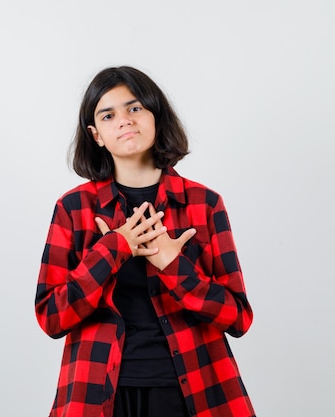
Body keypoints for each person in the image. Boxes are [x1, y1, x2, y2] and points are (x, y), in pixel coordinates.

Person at [35, 66, 255, 417]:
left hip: (194, 392)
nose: (124, 120)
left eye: (135, 108)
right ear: (96, 135)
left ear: (156, 117)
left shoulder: (204, 203)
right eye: (108, 115)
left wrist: (174, 266)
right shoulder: (74, 208)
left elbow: (238, 318)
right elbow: (52, 318)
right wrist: (112, 250)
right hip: (98, 393)